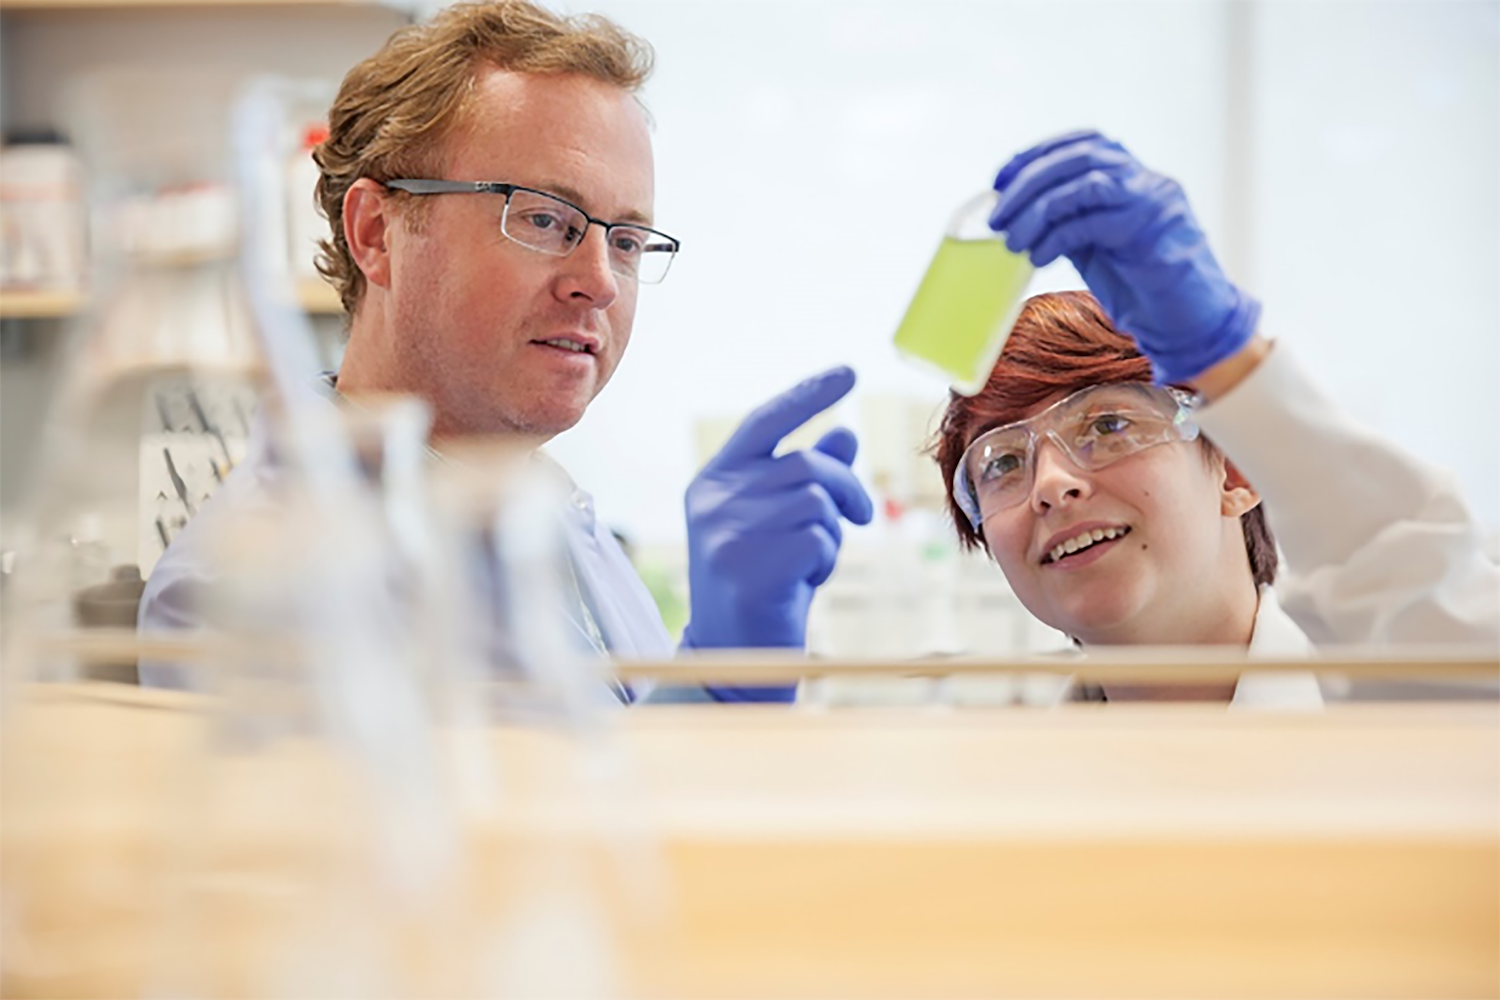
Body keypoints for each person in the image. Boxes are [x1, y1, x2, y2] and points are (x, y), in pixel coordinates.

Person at [139, 0, 873, 702]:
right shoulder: (245, 593)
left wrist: (717, 673)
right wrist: (715, 689)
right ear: (375, 233)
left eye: (624, 241)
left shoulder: (550, 512)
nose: (599, 285)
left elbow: (626, 789)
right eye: (546, 220)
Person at [934, 130, 1499, 701]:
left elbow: (1455, 646)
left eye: (1108, 426)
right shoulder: (1007, 776)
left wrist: (1233, 366)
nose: (1050, 485)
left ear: (1235, 471)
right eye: (1002, 461)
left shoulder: (1379, 704)